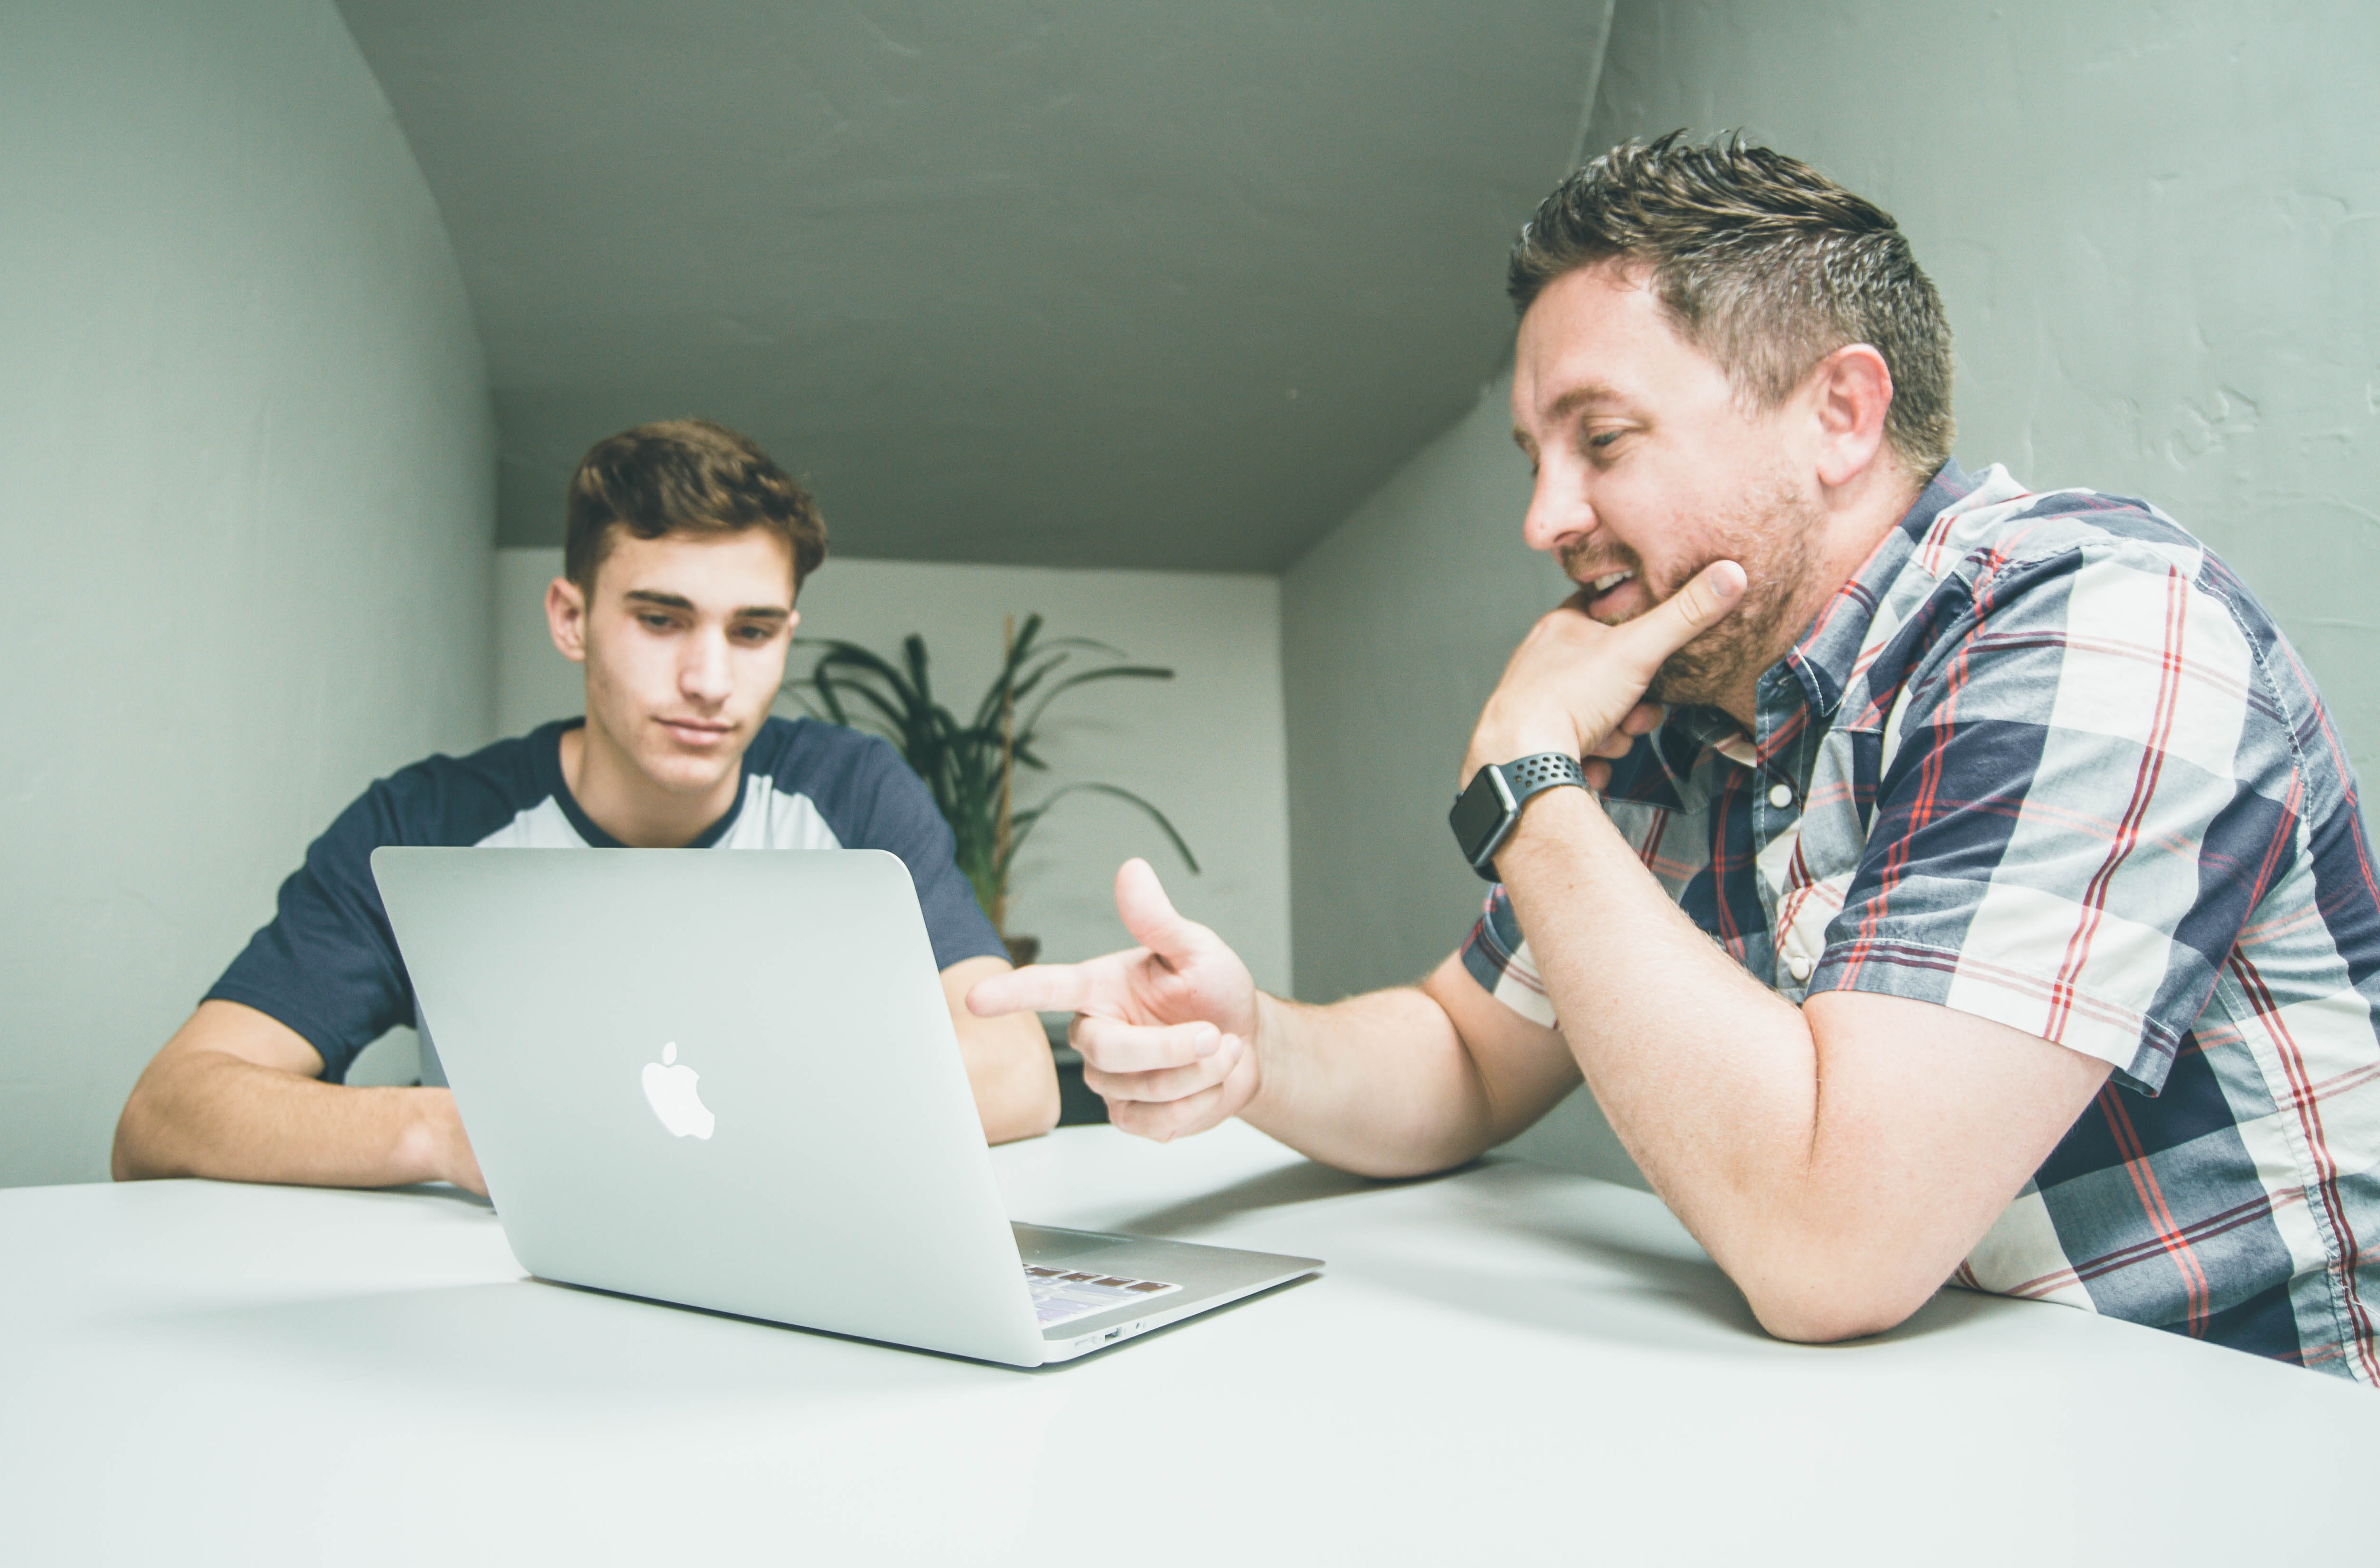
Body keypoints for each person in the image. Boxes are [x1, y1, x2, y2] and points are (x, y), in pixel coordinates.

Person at [972, 134, 2380, 1381]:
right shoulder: (1697, 700)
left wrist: (1528, 778)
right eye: (1535, 454)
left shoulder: (2095, 623)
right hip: (1934, 1424)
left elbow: (1834, 1246)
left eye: (1602, 440)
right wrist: (1253, 1045)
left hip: (2249, 1445)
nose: (1545, 516)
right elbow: (1470, 1050)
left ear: (1841, 413)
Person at [115, 418, 1058, 1192]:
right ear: (572, 618)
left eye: (753, 631)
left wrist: (681, 1121)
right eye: (660, 620)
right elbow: (167, 1113)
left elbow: (1017, 1075)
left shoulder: (849, 794)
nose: (709, 680)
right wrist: (450, 1133)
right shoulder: (428, 824)